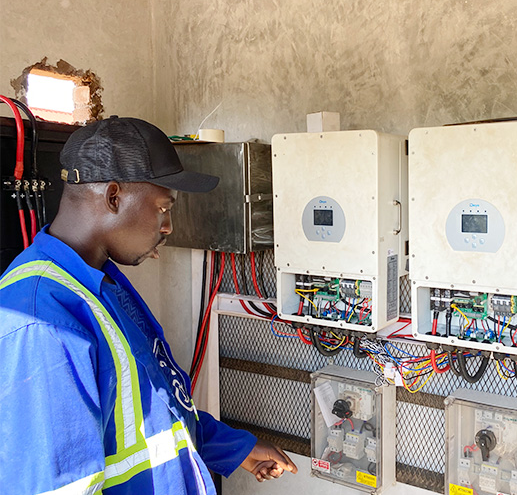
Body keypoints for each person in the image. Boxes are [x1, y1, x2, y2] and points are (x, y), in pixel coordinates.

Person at [0, 116, 297, 494]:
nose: (168, 226)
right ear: (113, 197)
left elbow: (152, 409)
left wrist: (238, 448)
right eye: (163, 208)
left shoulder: (98, 283)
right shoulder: (42, 319)